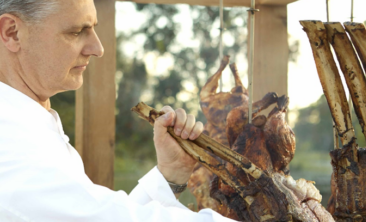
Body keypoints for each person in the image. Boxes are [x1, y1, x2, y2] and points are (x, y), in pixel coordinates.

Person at [0, 0, 236, 221]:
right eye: (76, 32)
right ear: (12, 32)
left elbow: (92, 212)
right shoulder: (8, 143)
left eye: (92, 28)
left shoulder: (29, 125)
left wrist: (171, 173)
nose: (98, 48)